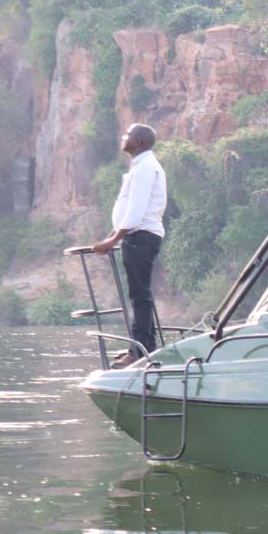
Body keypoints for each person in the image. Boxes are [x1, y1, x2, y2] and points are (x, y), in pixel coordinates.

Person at [90, 123, 167, 368]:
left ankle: (139, 351)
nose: (124, 137)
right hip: (136, 237)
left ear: (140, 142)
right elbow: (128, 210)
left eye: (129, 135)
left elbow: (136, 208)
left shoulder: (146, 167)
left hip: (141, 237)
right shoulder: (141, 166)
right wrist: (114, 236)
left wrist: (113, 239)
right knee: (139, 295)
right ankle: (145, 346)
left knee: (139, 296)